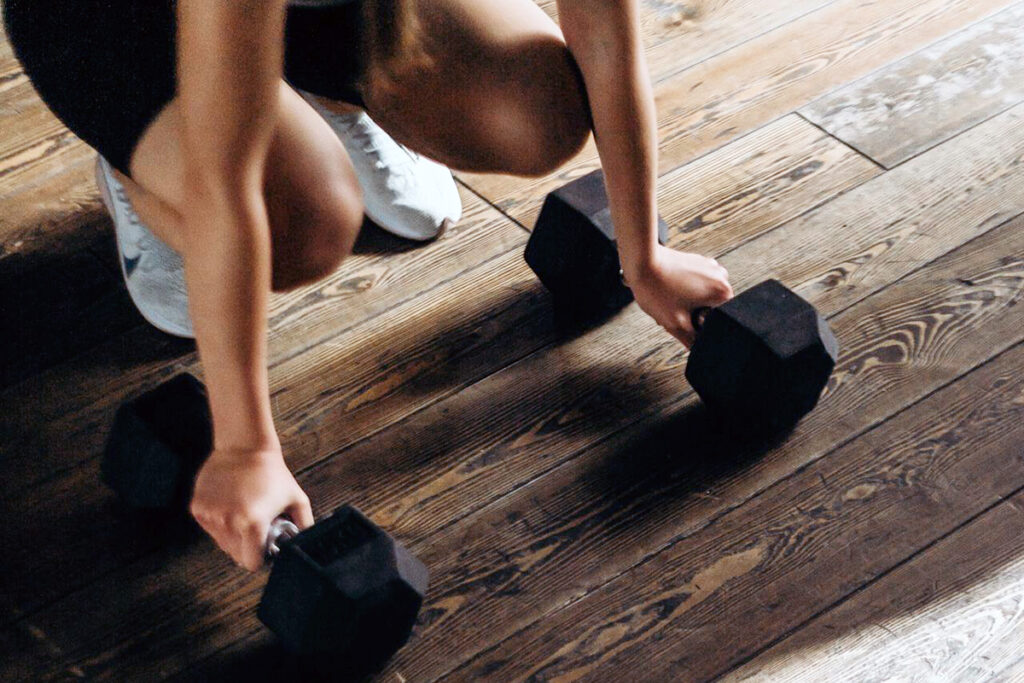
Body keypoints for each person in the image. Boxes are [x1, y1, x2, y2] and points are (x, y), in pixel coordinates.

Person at [3, 0, 733, 572]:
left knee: (536, 112)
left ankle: (331, 101)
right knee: (304, 224)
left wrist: (643, 255)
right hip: (113, 20)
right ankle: (139, 175)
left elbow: (603, 33)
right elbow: (230, 185)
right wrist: (245, 447)